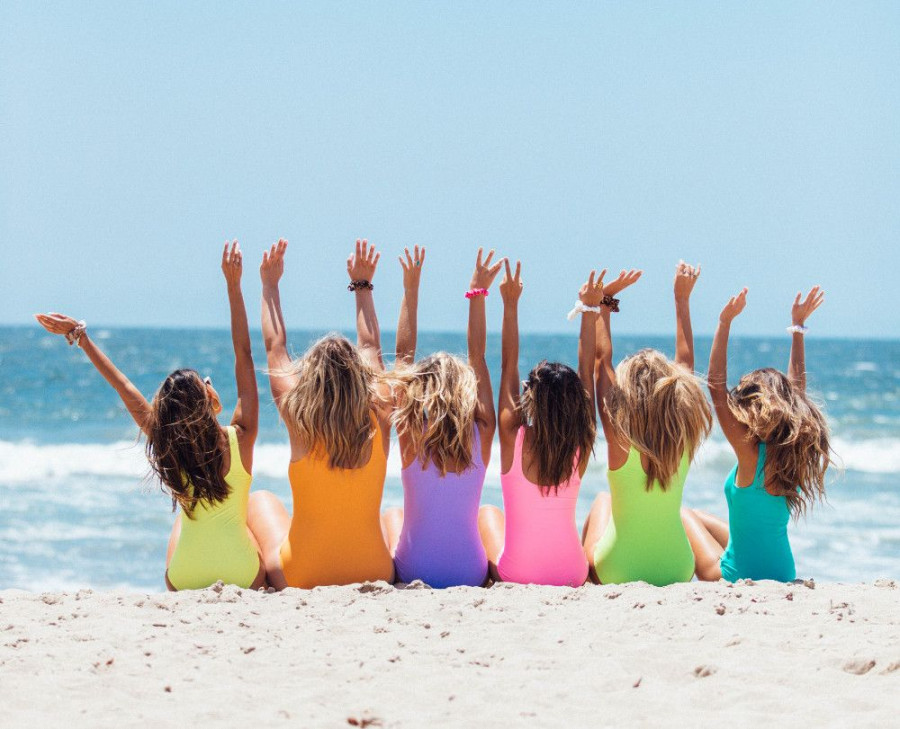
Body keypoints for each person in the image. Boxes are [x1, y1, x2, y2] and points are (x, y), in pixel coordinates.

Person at [35, 241, 265, 590]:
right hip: (242, 576)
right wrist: (234, 287)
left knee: (181, 525)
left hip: (183, 577)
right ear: (207, 401)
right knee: (251, 517)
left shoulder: (167, 442)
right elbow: (244, 354)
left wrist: (79, 336)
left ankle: (196, 563)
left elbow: (123, 385)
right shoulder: (242, 435)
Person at [247, 238, 395, 589]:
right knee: (392, 518)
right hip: (374, 570)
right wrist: (363, 285)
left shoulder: (297, 419)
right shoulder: (381, 411)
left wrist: (269, 286)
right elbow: (371, 346)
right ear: (362, 378)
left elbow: (275, 346)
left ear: (309, 379)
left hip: (302, 575)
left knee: (260, 501)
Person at [682, 286, 832, 582]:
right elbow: (797, 391)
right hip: (784, 572)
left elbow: (715, 386)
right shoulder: (793, 452)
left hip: (736, 574)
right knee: (701, 518)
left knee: (684, 515)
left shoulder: (749, 453)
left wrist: (724, 323)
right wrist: (797, 329)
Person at [582, 262, 712, 586]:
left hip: (618, 569)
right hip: (677, 568)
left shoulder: (618, 436)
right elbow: (686, 364)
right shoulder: (683, 435)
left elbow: (601, 363)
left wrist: (605, 305)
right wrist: (681, 300)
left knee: (602, 501)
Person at [477, 261, 604, 587]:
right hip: (573, 574)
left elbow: (508, 363)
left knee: (489, 514)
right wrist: (589, 311)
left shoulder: (511, 435)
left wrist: (510, 305)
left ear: (531, 397)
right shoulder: (582, 441)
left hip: (517, 575)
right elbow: (586, 370)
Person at [381, 247, 503, 588]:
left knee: (392, 516)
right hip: (471, 572)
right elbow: (478, 354)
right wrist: (477, 292)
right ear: (467, 390)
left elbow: (402, 359)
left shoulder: (410, 435)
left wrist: (411, 289)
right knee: (482, 517)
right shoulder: (483, 432)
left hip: (413, 570)